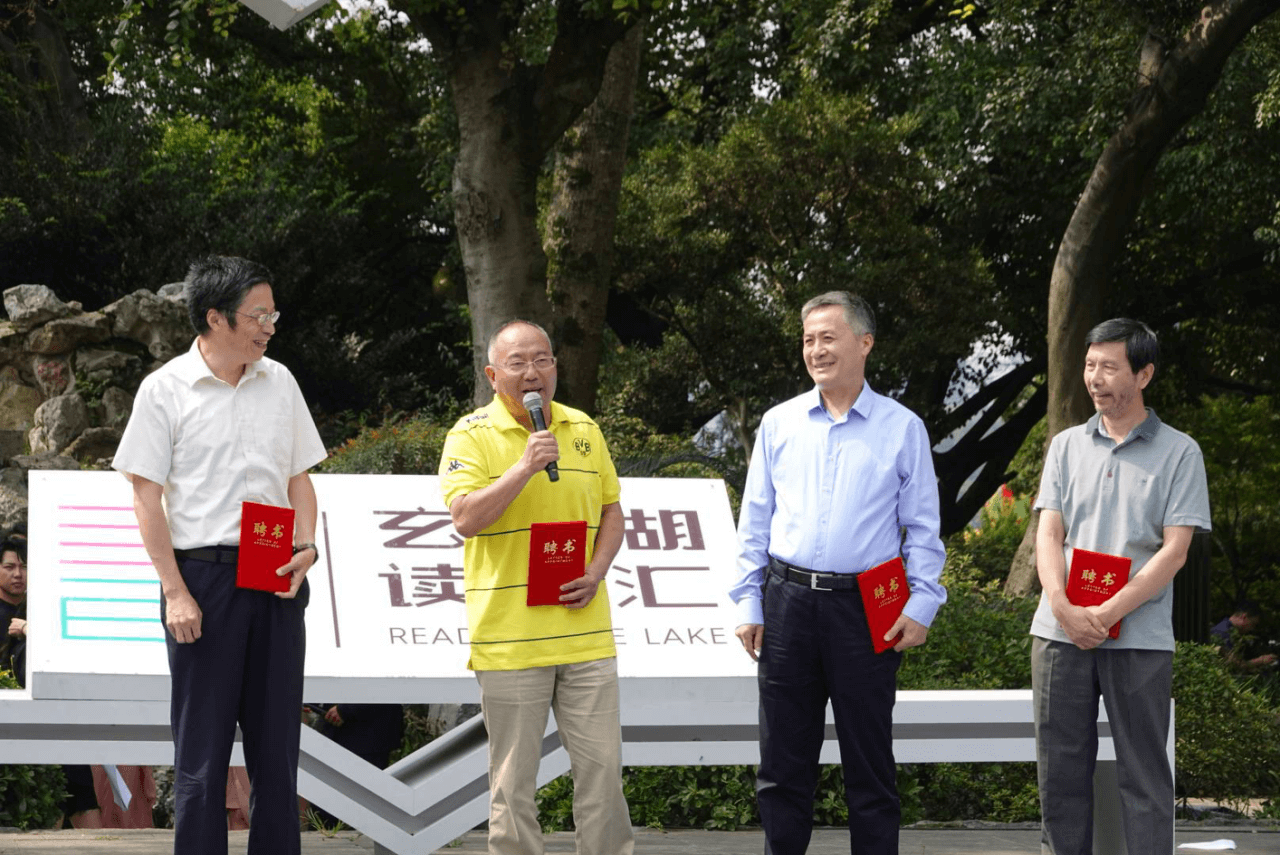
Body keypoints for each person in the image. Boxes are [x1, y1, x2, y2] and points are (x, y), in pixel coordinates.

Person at [112, 255, 327, 855]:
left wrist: (306, 545)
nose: (268, 326)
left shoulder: (279, 380)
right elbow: (145, 494)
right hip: (202, 578)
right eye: (257, 315)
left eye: (272, 314)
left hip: (275, 569)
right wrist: (175, 591)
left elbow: (300, 478)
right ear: (214, 317)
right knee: (202, 753)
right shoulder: (165, 389)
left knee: (278, 748)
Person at [730, 291, 947, 855]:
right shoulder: (779, 424)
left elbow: (923, 529)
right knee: (782, 764)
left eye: (829, 337)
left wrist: (921, 604)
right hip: (787, 601)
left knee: (870, 766)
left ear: (864, 343)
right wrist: (748, 604)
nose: (816, 350)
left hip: (871, 603)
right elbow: (754, 520)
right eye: (808, 340)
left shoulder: (903, 428)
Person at [438, 319, 632, 855]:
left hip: (584, 635)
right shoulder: (470, 434)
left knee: (603, 774)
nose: (533, 373)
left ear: (555, 367)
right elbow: (465, 518)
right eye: (518, 362)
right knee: (513, 783)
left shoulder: (585, 429)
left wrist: (595, 572)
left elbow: (612, 513)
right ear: (492, 373)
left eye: (542, 360)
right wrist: (524, 465)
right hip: (510, 640)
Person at [1030, 318, 1211, 855]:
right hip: (1058, 633)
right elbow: (1049, 532)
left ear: (1145, 373)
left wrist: (1106, 611)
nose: (1095, 378)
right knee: (1059, 775)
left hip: (1138, 638)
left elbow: (1174, 552)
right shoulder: (1065, 445)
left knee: (1144, 776)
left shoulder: (1180, 453)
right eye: (1090, 365)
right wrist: (1062, 605)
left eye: (1110, 366)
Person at [1210, 601, 1277, 670]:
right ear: (1244, 616)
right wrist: (1261, 661)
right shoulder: (1223, 633)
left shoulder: (1227, 629)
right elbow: (1235, 665)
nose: (1252, 628)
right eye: (1253, 624)